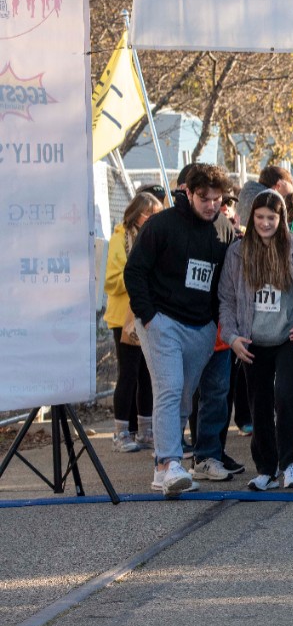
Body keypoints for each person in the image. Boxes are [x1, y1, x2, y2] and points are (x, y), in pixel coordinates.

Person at [124, 163, 236, 497]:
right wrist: (149, 317)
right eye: (204, 197)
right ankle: (169, 464)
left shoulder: (225, 229)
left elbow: (225, 281)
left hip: (202, 327)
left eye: (217, 199)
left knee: (184, 397)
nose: (211, 204)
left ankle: (165, 465)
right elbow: (135, 272)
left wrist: (216, 323)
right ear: (187, 192)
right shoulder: (161, 225)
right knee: (169, 388)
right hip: (162, 321)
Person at [218, 190, 293, 490]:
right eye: (260, 217)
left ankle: (290, 465)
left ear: (282, 218)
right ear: (251, 218)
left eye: (271, 218)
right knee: (258, 403)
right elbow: (225, 300)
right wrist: (232, 336)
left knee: (286, 397)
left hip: (289, 336)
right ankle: (265, 468)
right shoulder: (237, 253)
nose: (265, 223)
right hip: (252, 341)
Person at [104, 191, 164, 452]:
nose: (153, 219)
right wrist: (136, 277)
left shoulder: (152, 237)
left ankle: (145, 430)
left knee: (147, 374)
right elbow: (110, 280)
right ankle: (120, 433)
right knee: (128, 373)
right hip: (123, 319)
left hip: (147, 314)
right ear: (136, 214)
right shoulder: (119, 239)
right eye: (150, 214)